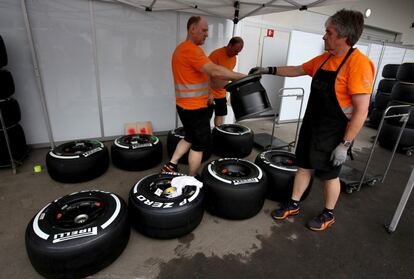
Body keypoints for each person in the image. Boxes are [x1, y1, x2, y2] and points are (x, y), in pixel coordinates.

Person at [249, 9, 375, 231]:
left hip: (335, 132)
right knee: (303, 166)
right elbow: (298, 69)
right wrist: (268, 69)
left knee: (329, 175)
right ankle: (294, 204)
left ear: (343, 36)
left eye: (329, 32)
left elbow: (361, 111)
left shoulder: (359, 64)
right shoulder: (325, 58)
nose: (324, 36)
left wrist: (344, 145)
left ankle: (328, 214)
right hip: (312, 125)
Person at [162, 16, 245, 177]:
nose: (207, 34)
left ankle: (171, 164)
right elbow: (215, 71)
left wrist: (211, 92)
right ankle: (193, 177)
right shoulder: (190, 49)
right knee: (199, 145)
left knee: (190, 137)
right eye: (204, 30)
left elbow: (206, 77)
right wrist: (242, 77)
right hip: (194, 108)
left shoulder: (181, 49)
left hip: (186, 105)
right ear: (192, 29)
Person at [208, 37, 244, 127]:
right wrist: (209, 93)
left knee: (220, 116)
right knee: (206, 117)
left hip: (221, 93)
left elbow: (229, 74)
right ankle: (204, 138)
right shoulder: (215, 54)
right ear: (229, 45)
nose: (236, 54)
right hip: (210, 93)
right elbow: (205, 75)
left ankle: (218, 135)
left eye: (238, 52)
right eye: (235, 51)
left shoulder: (234, 58)